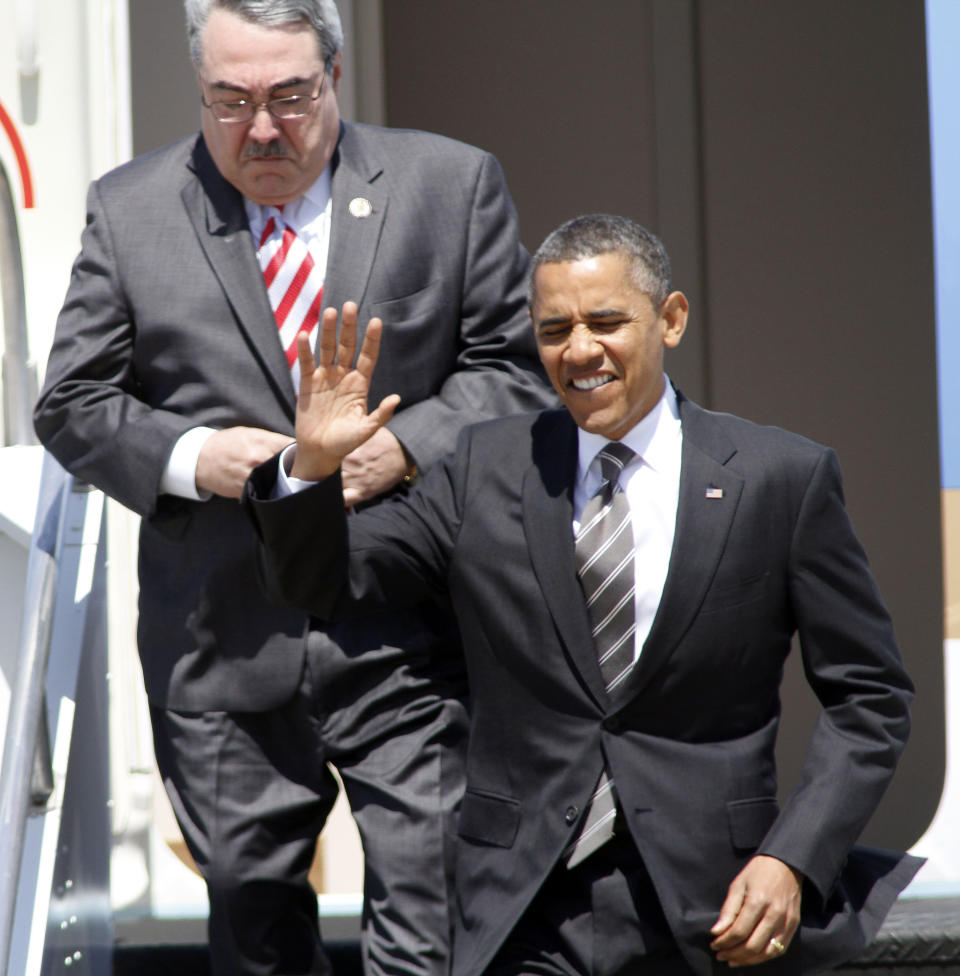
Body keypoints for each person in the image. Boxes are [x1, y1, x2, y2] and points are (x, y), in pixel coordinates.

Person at [245, 214, 922, 976]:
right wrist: (308, 471)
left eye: (606, 322)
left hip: (712, 906)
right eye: (555, 328)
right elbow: (324, 583)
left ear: (670, 320)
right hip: (524, 907)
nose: (579, 351)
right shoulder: (486, 466)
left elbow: (869, 698)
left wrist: (793, 862)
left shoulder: (778, 478)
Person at [32, 1, 554, 973]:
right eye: (229, 102)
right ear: (199, 87)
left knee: (436, 916)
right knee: (256, 931)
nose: (261, 128)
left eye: (287, 97)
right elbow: (71, 404)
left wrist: (403, 447)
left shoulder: (448, 183)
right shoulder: (132, 208)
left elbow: (512, 367)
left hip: (410, 627)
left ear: (336, 75)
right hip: (226, 638)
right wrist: (200, 457)